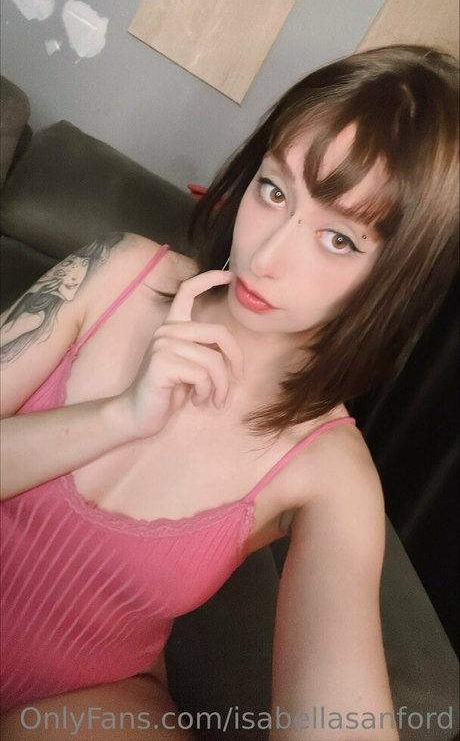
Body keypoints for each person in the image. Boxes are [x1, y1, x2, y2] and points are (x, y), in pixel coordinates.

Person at [0, 43, 458, 741]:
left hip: (85, 699)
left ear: (396, 280)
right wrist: (119, 416)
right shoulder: (116, 269)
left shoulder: (331, 475)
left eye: (339, 239)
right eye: (274, 191)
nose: (265, 257)